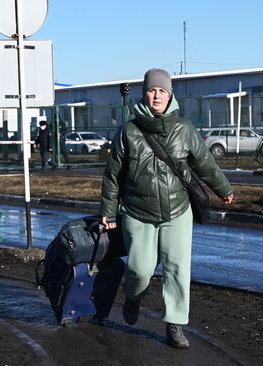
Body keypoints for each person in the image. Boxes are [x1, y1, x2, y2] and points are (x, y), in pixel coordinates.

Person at [100, 68, 234, 349]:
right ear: (144, 94)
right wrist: (109, 212)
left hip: (177, 212)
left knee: (177, 269)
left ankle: (175, 325)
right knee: (139, 269)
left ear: (170, 94)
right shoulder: (129, 132)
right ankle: (133, 295)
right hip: (138, 213)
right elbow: (113, 176)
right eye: (152, 90)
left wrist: (224, 189)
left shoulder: (184, 129)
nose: (157, 95)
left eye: (162, 90)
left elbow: (205, 163)